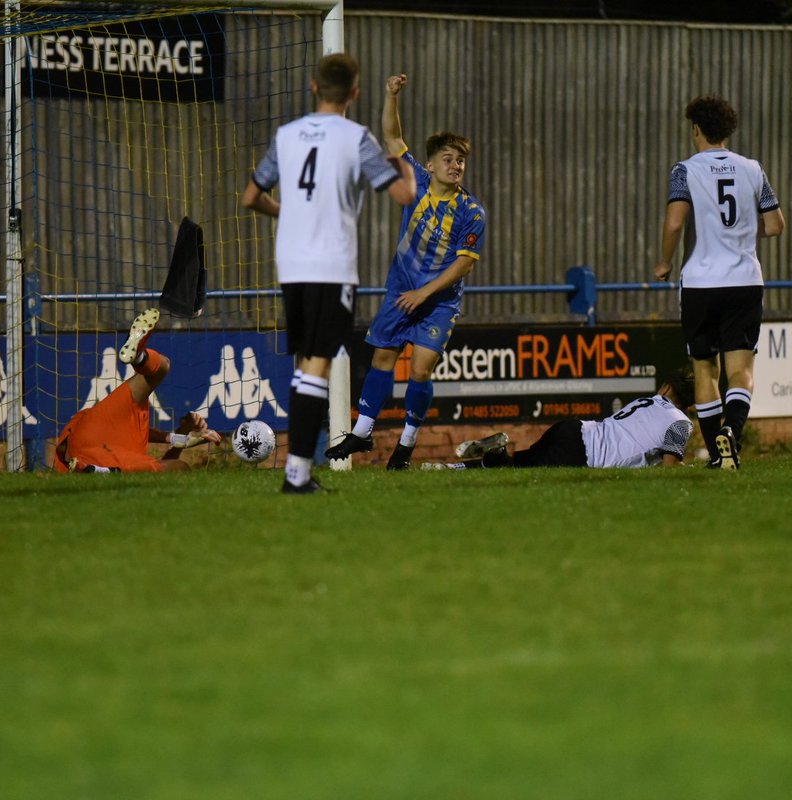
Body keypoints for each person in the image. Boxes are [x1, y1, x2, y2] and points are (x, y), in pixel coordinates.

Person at [242, 53, 416, 494]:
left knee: (306, 362)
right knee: (317, 364)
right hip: (331, 266)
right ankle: (297, 474)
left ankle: (298, 471)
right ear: (355, 93)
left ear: (313, 86)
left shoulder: (286, 135)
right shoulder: (357, 138)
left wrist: (285, 212)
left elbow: (250, 196)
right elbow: (403, 193)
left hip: (291, 264)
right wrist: (401, 155)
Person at [324, 73, 486, 471]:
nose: (455, 165)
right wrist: (390, 96)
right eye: (447, 159)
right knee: (382, 358)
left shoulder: (472, 211)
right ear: (430, 165)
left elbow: (464, 264)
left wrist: (425, 294)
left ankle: (407, 443)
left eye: (460, 160)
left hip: (439, 302)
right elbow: (394, 140)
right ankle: (362, 432)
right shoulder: (413, 183)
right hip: (401, 292)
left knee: (419, 368)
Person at [653, 95, 785, 471]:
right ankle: (733, 432)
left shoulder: (685, 170)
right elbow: (775, 225)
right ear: (727, 130)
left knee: (704, 370)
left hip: (700, 283)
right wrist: (743, 231)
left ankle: (716, 454)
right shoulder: (752, 169)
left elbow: (675, 222)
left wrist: (664, 262)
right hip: (745, 281)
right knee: (740, 370)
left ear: (695, 128)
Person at [53, 308, 221, 473]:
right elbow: (165, 469)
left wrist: (182, 436)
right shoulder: (135, 445)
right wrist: (182, 438)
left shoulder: (131, 427)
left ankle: (140, 357)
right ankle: (99, 471)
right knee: (180, 468)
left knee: (163, 366)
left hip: (86, 431)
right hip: (99, 453)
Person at [424, 370, 696, 470]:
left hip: (575, 429)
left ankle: (450, 467)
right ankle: (491, 455)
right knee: (517, 465)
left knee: (518, 462)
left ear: (666, 388)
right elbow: (671, 466)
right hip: (585, 455)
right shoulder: (681, 423)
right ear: (691, 404)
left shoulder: (646, 401)